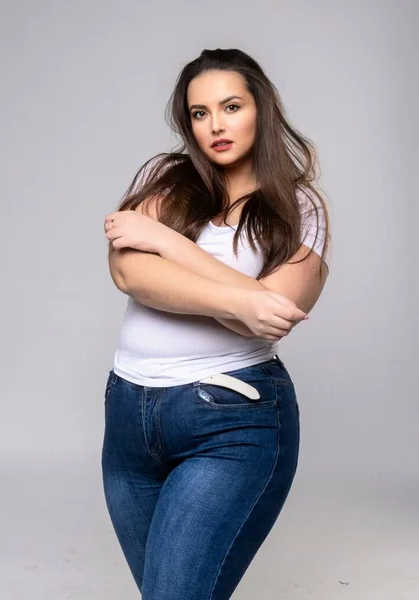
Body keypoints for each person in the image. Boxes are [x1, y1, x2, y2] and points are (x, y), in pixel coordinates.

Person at [102, 48, 331, 600]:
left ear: (261, 108)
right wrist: (238, 300)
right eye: (200, 113)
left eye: (230, 106)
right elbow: (130, 274)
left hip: (230, 422)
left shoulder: (300, 208)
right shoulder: (169, 181)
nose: (216, 125)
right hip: (129, 418)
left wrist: (164, 242)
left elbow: (274, 313)